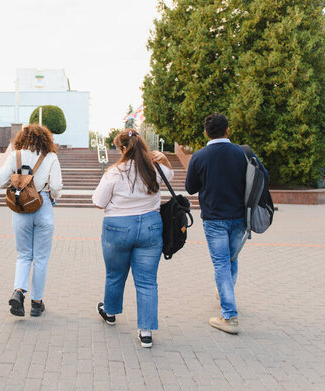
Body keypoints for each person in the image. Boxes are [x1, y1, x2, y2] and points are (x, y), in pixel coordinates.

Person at [185, 113, 268, 335]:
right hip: (240, 217)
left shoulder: (200, 156)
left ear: (205, 132)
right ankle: (225, 293)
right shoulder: (243, 153)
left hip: (214, 219)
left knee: (221, 263)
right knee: (231, 259)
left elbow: (190, 187)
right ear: (228, 130)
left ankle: (229, 316)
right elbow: (264, 176)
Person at [92, 129, 173, 348]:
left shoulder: (115, 172)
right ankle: (146, 332)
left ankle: (110, 313)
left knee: (115, 274)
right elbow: (170, 175)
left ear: (122, 149)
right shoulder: (155, 168)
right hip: (150, 227)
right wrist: (163, 158)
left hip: (118, 227)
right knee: (147, 281)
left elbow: (99, 201)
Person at [0, 125, 63, 317]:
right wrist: (53, 195)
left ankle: (18, 291)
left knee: (24, 255)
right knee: (41, 258)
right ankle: (36, 303)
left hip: (21, 209)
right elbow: (56, 186)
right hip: (43, 206)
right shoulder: (50, 157)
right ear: (46, 139)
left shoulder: (15, 155)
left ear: (22, 138)